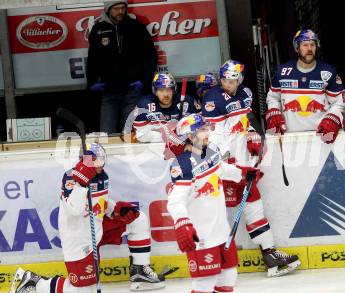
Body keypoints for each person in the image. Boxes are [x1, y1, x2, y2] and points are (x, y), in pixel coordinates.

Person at [10, 143, 164, 293]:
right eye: (96, 161)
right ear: (86, 161)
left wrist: (114, 209)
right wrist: (81, 184)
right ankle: (35, 282)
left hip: (97, 228)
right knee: (84, 290)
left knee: (138, 220)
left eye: (102, 160)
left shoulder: (102, 176)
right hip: (78, 238)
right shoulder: (71, 177)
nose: (100, 166)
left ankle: (140, 272)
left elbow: (98, 202)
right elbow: (74, 209)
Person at [202, 60, 300, 277]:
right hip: (226, 169)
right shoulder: (212, 98)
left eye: (232, 80)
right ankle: (212, 258)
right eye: (225, 81)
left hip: (245, 165)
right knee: (221, 214)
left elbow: (247, 123)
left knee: (255, 209)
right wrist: (235, 168)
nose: (228, 84)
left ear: (240, 79)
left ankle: (270, 254)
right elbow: (213, 141)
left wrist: (255, 140)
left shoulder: (246, 93)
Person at [167, 113, 252, 293]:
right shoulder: (182, 165)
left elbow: (220, 169)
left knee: (229, 276)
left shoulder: (211, 151)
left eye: (207, 128)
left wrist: (242, 174)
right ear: (190, 136)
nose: (208, 132)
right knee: (205, 282)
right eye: (203, 130)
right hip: (201, 235)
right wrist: (182, 222)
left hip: (221, 230)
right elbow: (175, 201)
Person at [86, 0, 158, 134]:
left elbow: (150, 56)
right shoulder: (98, 30)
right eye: (116, 9)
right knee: (106, 134)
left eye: (123, 8)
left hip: (132, 91)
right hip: (109, 92)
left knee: (130, 133)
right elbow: (92, 60)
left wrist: (144, 80)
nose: (120, 12)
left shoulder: (136, 27)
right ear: (108, 10)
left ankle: (131, 156)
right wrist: (92, 82)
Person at [265, 29, 345, 143]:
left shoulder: (328, 72)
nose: (309, 49)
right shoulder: (282, 71)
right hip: (289, 137)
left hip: (320, 137)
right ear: (297, 48)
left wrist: (333, 117)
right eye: (305, 45)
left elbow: (339, 102)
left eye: (312, 45)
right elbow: (273, 98)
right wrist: (274, 111)